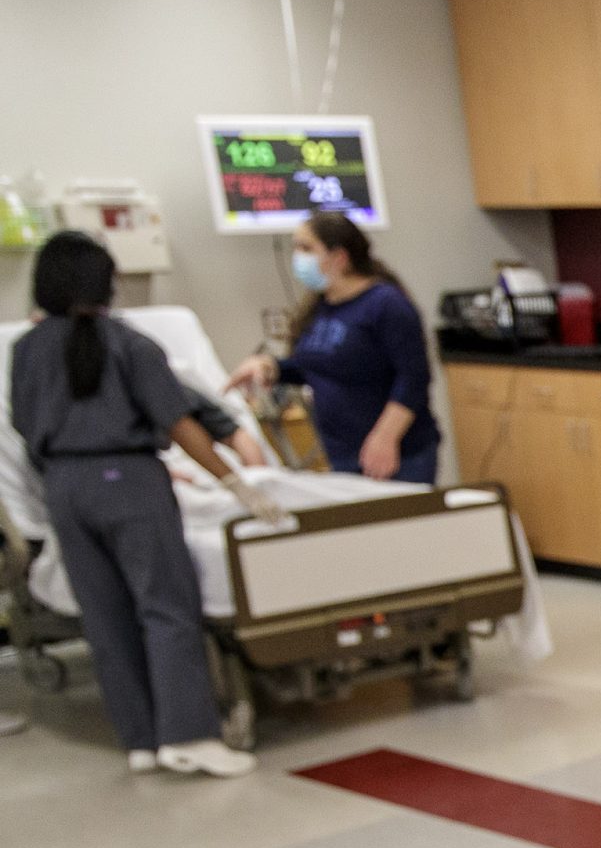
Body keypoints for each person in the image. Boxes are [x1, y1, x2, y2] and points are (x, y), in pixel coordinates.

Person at [8, 232, 264, 776]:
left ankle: (142, 740)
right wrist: (235, 482)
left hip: (65, 488)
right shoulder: (129, 345)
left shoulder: (25, 350)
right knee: (166, 605)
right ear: (105, 285)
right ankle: (190, 735)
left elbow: (25, 427)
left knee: (104, 614)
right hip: (128, 479)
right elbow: (180, 422)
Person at [225, 212, 439, 482]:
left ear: (339, 257)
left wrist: (386, 437)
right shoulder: (321, 307)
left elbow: (414, 378)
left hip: (395, 453)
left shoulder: (385, 304)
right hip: (343, 452)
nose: (298, 257)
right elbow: (317, 366)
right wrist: (271, 367)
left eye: (306, 248)